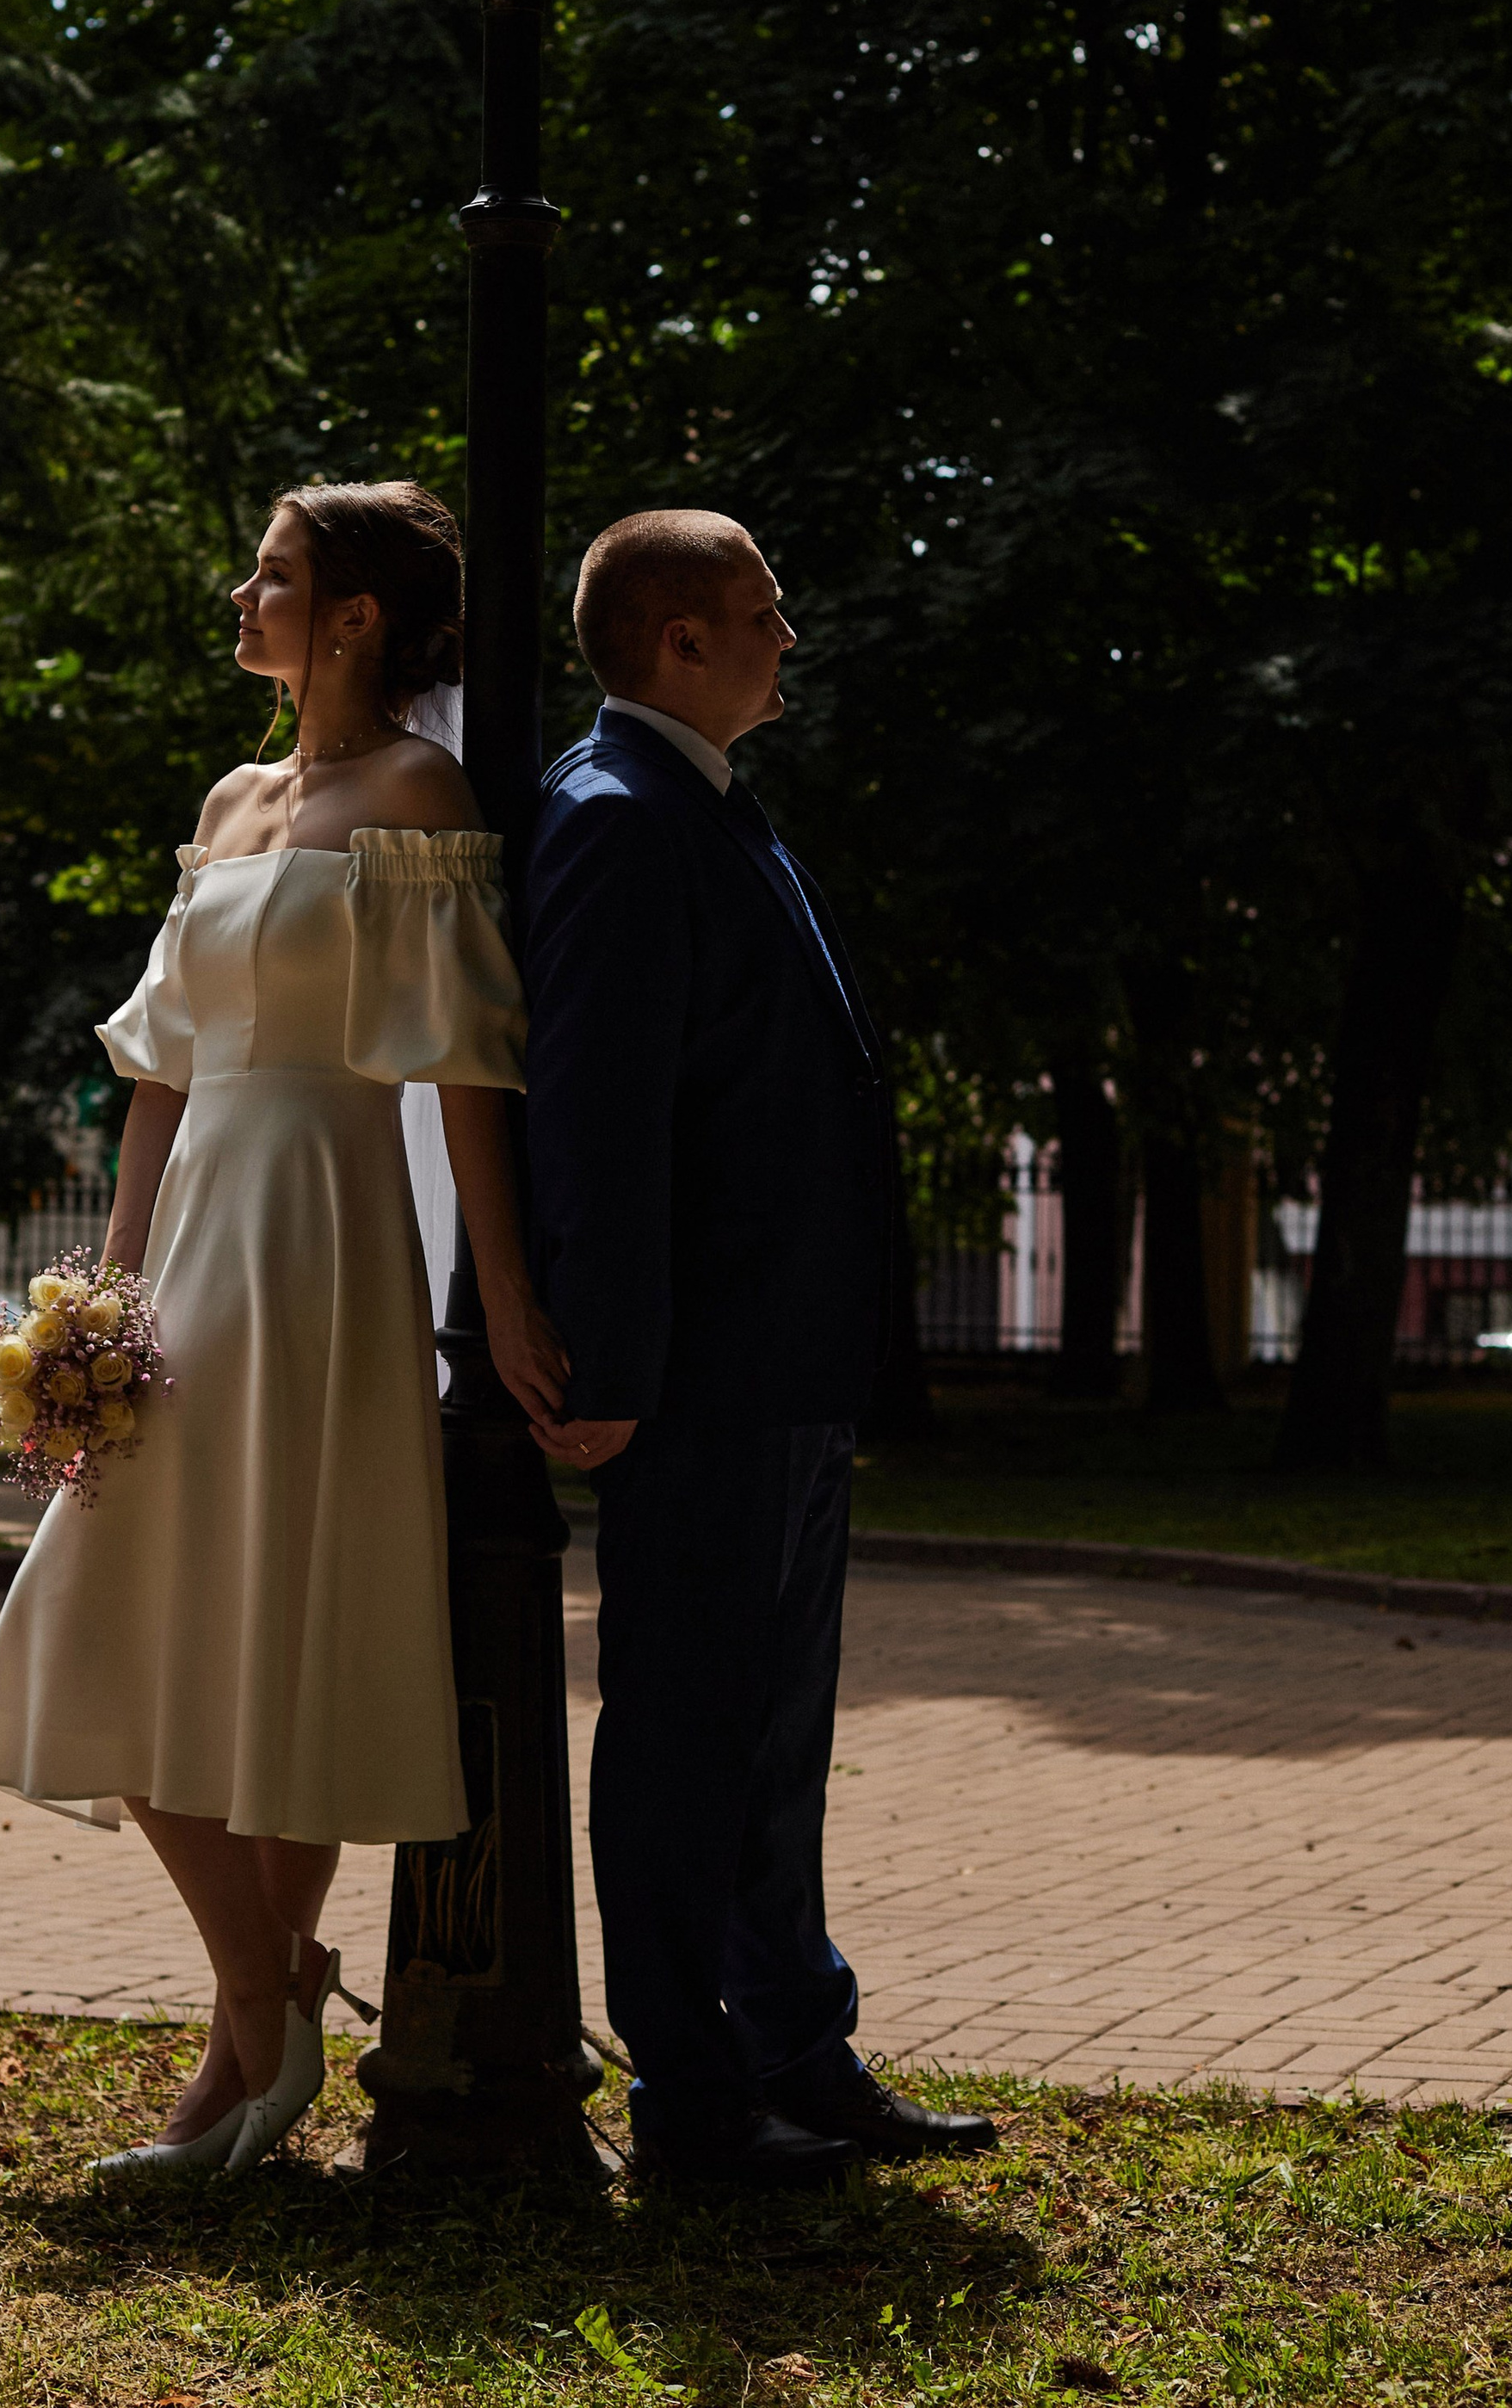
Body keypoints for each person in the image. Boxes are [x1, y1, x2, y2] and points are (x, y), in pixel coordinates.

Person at [0, 481, 542, 2178]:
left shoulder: (416, 796)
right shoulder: (229, 797)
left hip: (326, 1237)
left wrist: (497, 1290)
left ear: (350, 616)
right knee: (106, 1601)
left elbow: (468, 1066)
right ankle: (270, 1998)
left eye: (271, 575)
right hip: (197, 1227)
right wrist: (107, 1295)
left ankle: (239, 2068)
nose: (242, 591)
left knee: (287, 1620)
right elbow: (156, 1072)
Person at [509, 509, 997, 2192]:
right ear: (676, 638)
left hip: (781, 1364)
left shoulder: (711, 808)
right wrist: (612, 1363)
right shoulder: (612, 819)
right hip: (698, 1374)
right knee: (680, 1736)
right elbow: (597, 1118)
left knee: (774, 1736)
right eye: (760, 612)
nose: (789, 635)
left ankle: (796, 2052)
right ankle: (692, 2102)